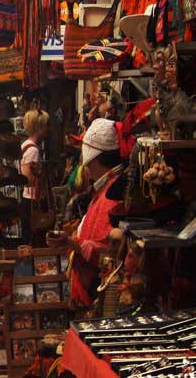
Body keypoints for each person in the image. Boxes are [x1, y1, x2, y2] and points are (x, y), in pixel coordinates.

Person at [47, 118, 123, 313]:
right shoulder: (105, 189)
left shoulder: (112, 194)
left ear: (92, 155)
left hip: (101, 293)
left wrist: (72, 243)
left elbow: (107, 252)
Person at [20, 109, 50, 245]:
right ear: (39, 127)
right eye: (46, 125)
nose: (48, 129)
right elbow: (27, 179)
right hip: (32, 200)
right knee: (35, 240)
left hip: (29, 199)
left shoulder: (26, 146)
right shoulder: (33, 150)